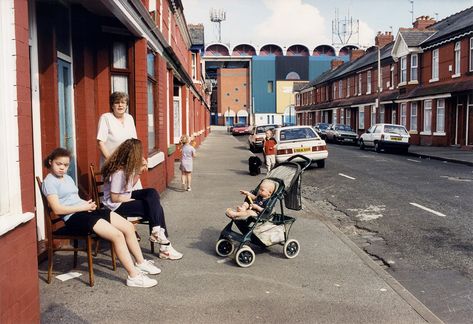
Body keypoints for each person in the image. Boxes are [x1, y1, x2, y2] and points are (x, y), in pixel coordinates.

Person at [41, 148, 160, 288]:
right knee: (117, 235)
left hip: (84, 211)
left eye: (65, 165)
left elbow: (73, 199)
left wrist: (87, 204)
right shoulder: (49, 182)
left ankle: (141, 263)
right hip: (73, 218)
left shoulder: (67, 178)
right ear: (50, 162)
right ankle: (133, 276)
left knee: (128, 227)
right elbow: (57, 209)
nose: (62, 168)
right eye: (58, 164)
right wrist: (82, 207)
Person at [101, 138, 183, 260]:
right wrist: (132, 201)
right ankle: (164, 247)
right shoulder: (118, 171)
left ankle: (156, 231)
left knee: (151, 192)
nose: (142, 156)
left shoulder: (126, 167)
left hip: (123, 197)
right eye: (139, 153)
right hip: (115, 205)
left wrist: (139, 172)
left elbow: (128, 188)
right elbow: (114, 197)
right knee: (155, 207)